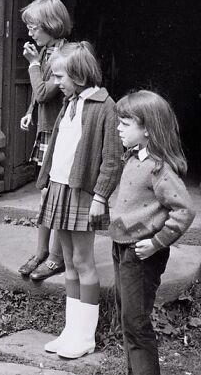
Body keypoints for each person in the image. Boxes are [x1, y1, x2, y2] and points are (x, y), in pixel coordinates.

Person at [37, 41, 123, 359]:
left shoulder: (104, 106)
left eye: (60, 76)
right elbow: (57, 147)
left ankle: (86, 337)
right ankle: (70, 331)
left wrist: (100, 196)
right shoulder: (70, 103)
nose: (57, 82)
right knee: (69, 264)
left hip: (83, 194)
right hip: (60, 189)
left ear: (80, 74)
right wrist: (45, 182)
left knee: (84, 262)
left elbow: (112, 159)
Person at [112, 90, 195, 375]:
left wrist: (156, 242)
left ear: (147, 129)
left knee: (136, 322)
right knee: (127, 319)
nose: (118, 128)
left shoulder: (159, 169)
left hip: (141, 253)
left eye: (125, 123)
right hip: (122, 246)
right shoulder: (134, 158)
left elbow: (184, 211)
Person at [17, 0, 71, 281]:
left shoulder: (64, 55)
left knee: (57, 196)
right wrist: (30, 112)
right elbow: (39, 99)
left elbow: (43, 91)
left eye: (34, 27)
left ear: (51, 24)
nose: (30, 32)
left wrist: (32, 65)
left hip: (61, 133)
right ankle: (41, 252)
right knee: (45, 195)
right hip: (46, 128)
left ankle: (56, 257)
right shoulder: (47, 52)